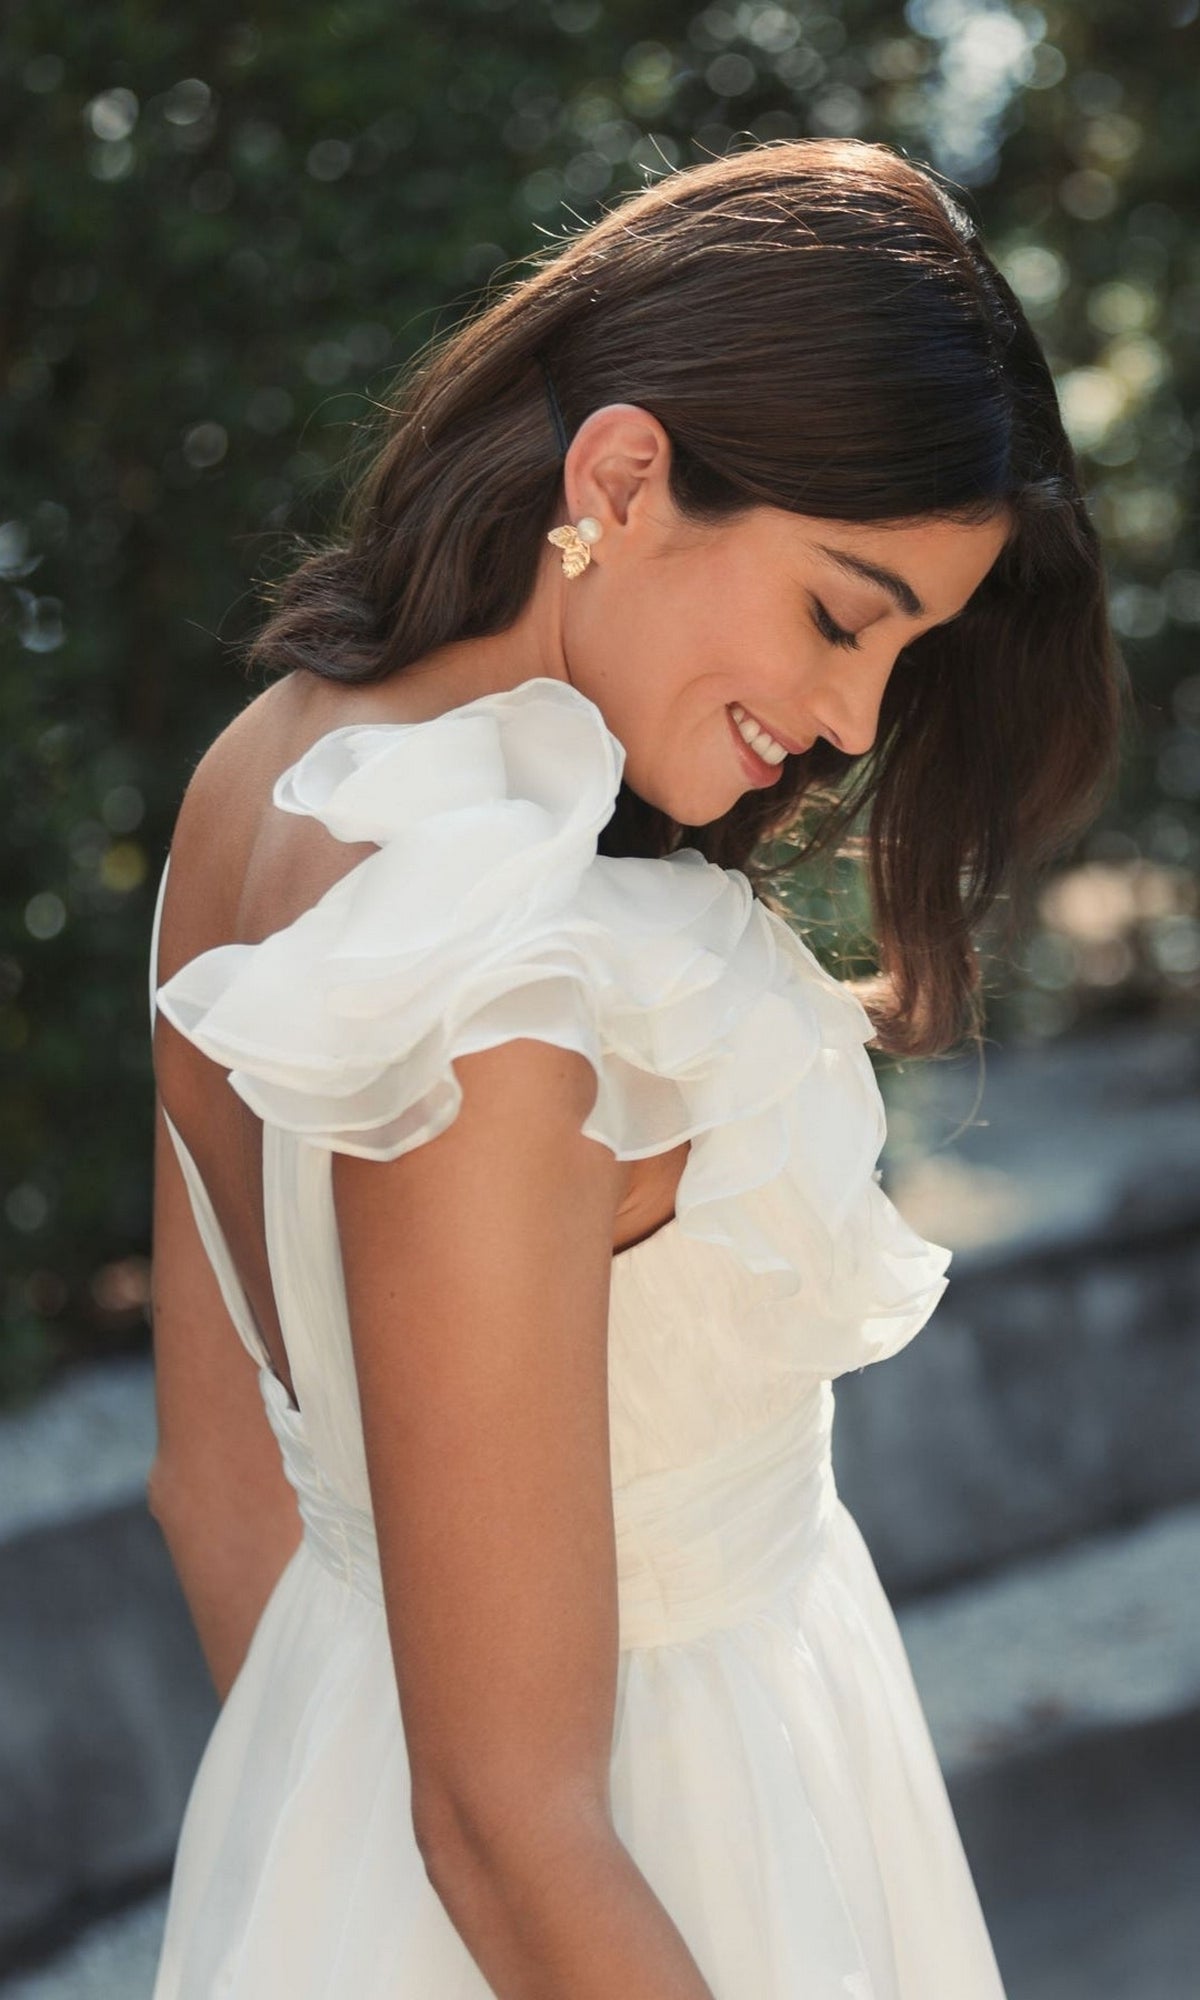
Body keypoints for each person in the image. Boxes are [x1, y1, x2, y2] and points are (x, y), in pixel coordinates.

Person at [145, 136, 1125, 1998]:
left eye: (901, 654)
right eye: (844, 614)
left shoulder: (266, 768)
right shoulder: (515, 992)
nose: (851, 719)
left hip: (403, 1856)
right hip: (662, 1901)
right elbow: (513, 1823)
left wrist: (330, 1859)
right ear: (621, 474)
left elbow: (218, 1491)